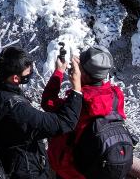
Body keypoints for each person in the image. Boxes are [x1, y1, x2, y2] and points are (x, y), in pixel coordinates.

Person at [0, 46, 82, 179]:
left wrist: (59, 72)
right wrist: (76, 88)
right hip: (23, 171)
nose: (30, 75)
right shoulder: (18, 111)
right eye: (28, 74)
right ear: (15, 78)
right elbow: (65, 122)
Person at [42, 45, 128, 179]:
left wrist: (59, 72)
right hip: (95, 169)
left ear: (82, 73)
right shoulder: (116, 95)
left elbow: (48, 102)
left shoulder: (78, 101)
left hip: (70, 171)